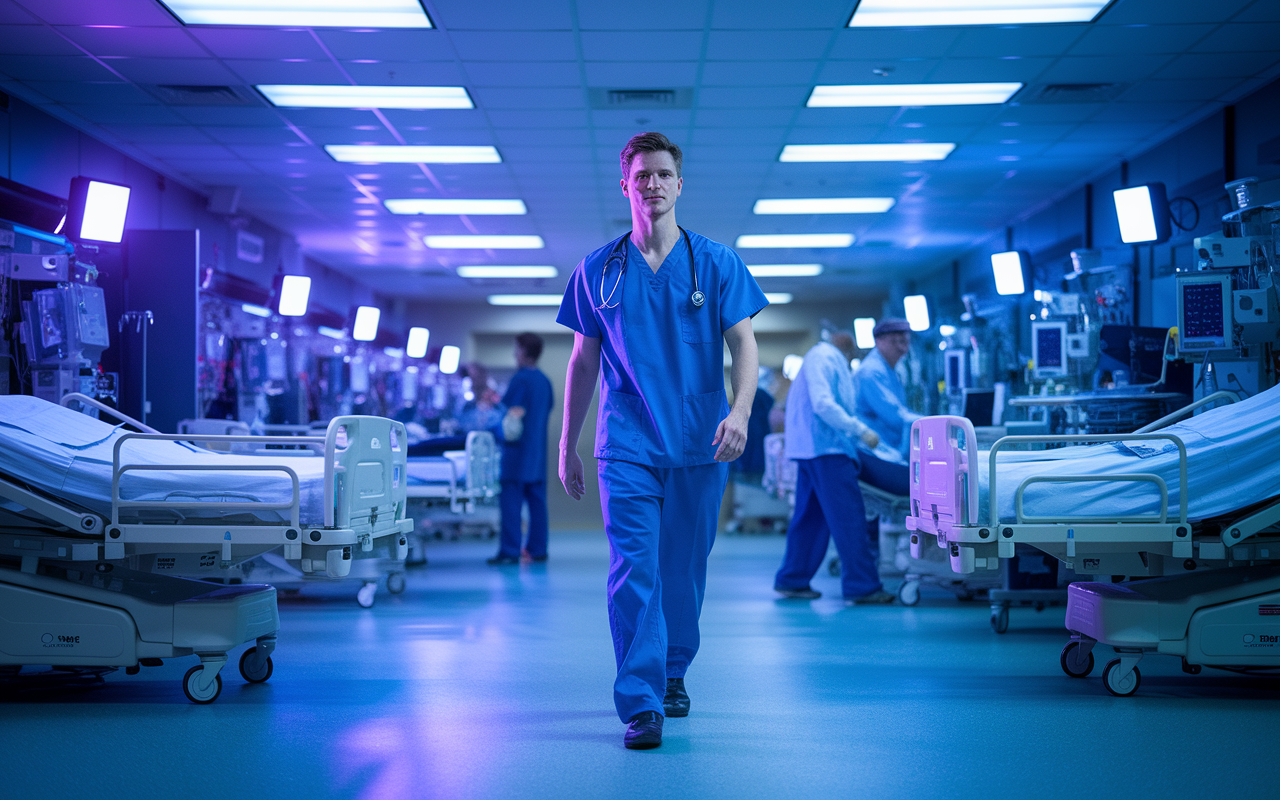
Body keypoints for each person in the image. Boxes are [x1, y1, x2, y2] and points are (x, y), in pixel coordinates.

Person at [557, 132, 767, 750]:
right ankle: (642, 700)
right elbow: (581, 362)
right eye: (641, 175)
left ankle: (675, 667)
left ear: (680, 184)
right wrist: (568, 441)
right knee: (635, 569)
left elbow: (745, 345)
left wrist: (743, 412)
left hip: (704, 438)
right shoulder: (598, 270)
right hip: (626, 442)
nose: (652, 184)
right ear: (626, 185)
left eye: (663, 174)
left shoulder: (717, 263)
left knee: (683, 568)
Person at [773, 332, 896, 605]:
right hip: (826, 450)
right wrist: (860, 430)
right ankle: (862, 586)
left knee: (810, 519)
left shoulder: (819, 358)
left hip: (811, 449)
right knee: (849, 519)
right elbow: (824, 404)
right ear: (847, 348)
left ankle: (792, 579)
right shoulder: (826, 358)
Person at [487, 333, 555, 566]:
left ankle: (509, 551)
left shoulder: (520, 380)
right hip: (537, 455)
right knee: (537, 503)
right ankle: (538, 550)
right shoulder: (544, 382)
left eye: (516, 350)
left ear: (524, 352)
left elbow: (511, 418)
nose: (514, 354)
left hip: (517, 455)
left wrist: (492, 409)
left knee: (511, 504)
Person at [853, 317, 922, 459]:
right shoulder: (871, 372)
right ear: (878, 342)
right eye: (894, 342)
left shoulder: (890, 370)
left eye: (905, 342)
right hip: (875, 447)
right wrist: (932, 424)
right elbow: (895, 416)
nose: (902, 348)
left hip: (887, 445)